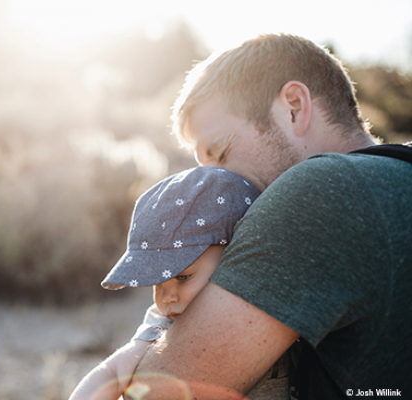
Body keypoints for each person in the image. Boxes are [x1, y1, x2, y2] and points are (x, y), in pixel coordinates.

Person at [124, 33, 412, 399]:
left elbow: (157, 395)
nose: (214, 185)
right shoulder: (397, 177)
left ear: (293, 106)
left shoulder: (318, 192)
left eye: (221, 153)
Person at [69, 166, 285, 400]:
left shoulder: (272, 297)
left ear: (235, 255)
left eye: (183, 277)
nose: (167, 297)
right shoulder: (164, 323)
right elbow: (112, 371)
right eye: (157, 283)